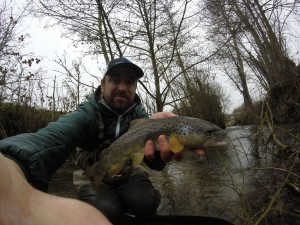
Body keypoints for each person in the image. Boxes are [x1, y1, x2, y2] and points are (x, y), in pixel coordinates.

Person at [0, 57, 187, 224]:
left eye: (129, 82)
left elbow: (150, 159)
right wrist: (14, 159)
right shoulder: (87, 112)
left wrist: (159, 158)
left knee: (146, 203)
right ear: (102, 84)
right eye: (115, 80)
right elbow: (54, 136)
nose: (122, 87)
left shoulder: (142, 117)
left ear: (135, 88)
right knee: (106, 210)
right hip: (93, 172)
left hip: (128, 172)